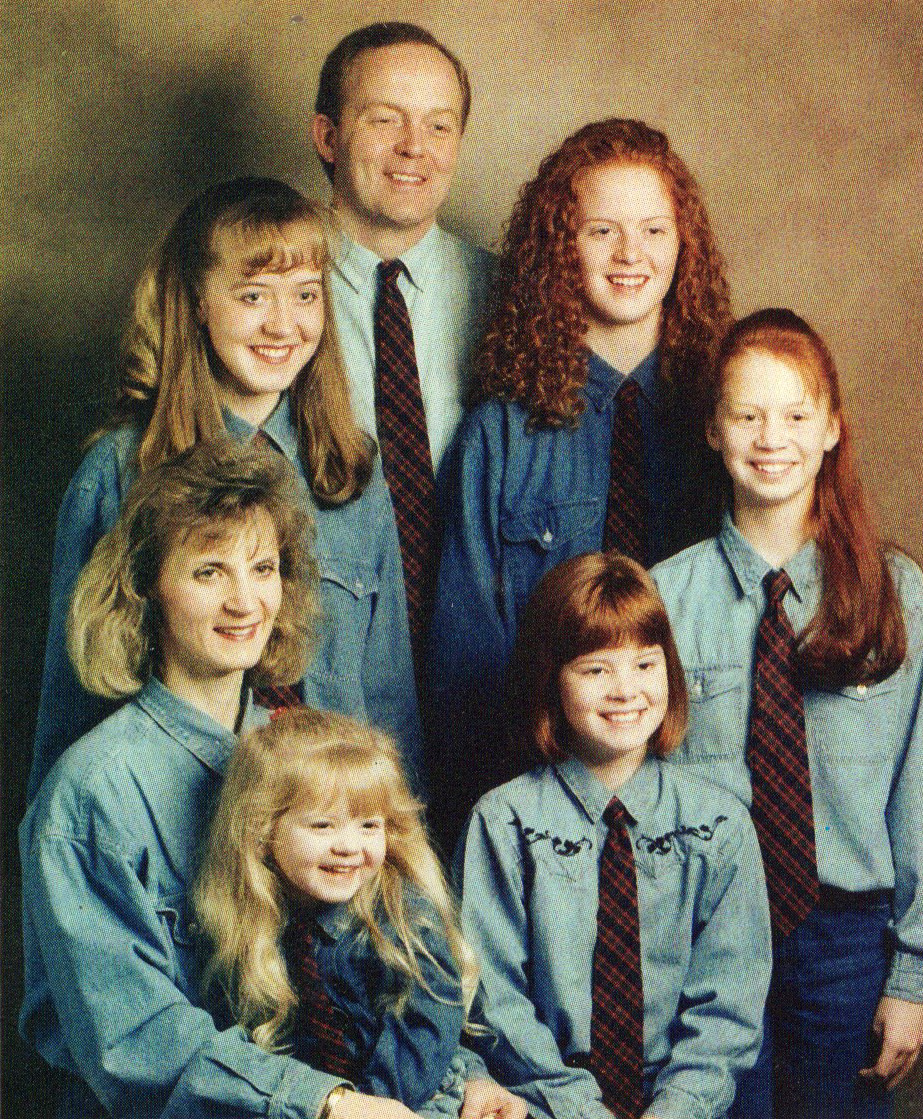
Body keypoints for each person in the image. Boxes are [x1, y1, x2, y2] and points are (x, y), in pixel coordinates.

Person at [20, 440, 526, 1119]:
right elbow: (131, 1041)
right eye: (208, 571)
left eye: (262, 567)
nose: (243, 599)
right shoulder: (92, 793)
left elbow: (380, 958)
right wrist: (325, 1103)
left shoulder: (310, 755)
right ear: (146, 588)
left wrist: (459, 1075)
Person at [30, 176, 420, 801]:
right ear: (197, 303)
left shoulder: (350, 471)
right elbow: (72, 711)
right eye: (253, 296)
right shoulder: (119, 472)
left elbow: (390, 704)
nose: (284, 324)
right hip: (172, 838)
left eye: (305, 295)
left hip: (330, 847)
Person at [429, 118, 732, 845]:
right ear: (558, 248)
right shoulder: (499, 434)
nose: (631, 253)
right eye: (601, 231)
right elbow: (464, 661)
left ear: (682, 244)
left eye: (654, 230)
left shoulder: (731, 422)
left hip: (708, 803)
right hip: (540, 806)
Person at [651, 309, 923, 1118]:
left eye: (796, 414)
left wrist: (911, 974)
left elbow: (921, 799)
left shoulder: (895, 594)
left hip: (846, 943)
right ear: (712, 429)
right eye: (746, 414)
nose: (772, 437)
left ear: (833, 427)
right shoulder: (662, 598)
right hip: (700, 943)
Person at [455, 552, 772, 1119]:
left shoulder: (719, 823)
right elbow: (494, 998)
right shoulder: (503, 822)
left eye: (645, 665)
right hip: (543, 1097)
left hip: (682, 1102)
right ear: (550, 680)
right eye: (596, 669)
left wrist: (675, 1110)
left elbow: (728, 1002)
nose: (626, 690)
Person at [311, 21, 493, 672]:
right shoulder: (268, 299)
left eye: (439, 126)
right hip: (326, 663)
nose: (414, 147)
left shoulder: (512, 300)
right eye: (385, 120)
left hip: (482, 669)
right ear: (328, 137)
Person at [195, 706, 480, 1116]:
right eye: (322, 825)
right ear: (261, 829)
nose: (349, 846)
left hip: (411, 1098)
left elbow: (426, 1034)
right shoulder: (252, 919)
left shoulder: (405, 917)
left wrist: (365, 1105)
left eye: (369, 825)